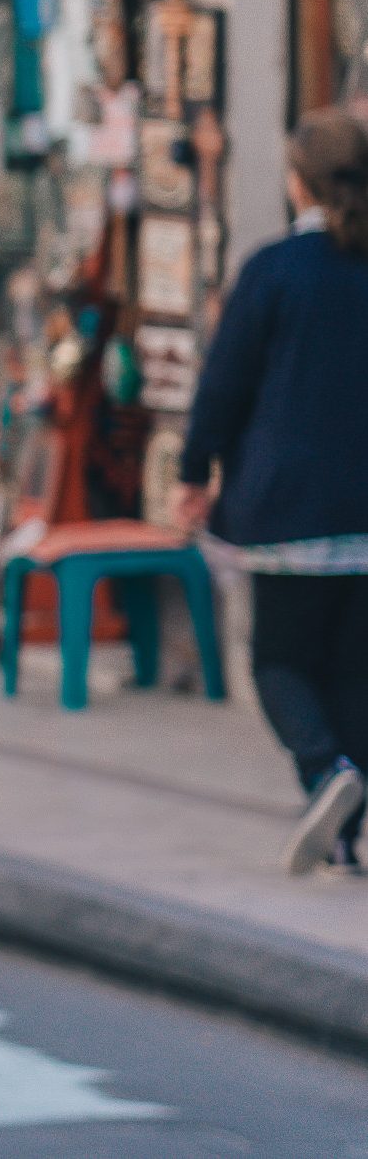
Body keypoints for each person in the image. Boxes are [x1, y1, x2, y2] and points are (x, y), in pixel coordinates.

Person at [174, 109, 368, 876]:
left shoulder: (272, 272)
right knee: (354, 672)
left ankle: (326, 773)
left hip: (289, 510)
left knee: (278, 663)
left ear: (297, 183)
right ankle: (346, 828)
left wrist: (192, 473)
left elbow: (222, 388)